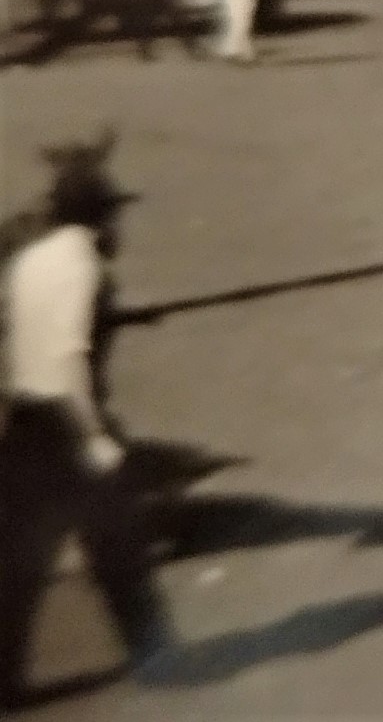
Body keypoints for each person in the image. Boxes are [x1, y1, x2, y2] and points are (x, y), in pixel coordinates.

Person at [0, 141, 170, 702]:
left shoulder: (30, 260)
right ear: (100, 217)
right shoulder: (84, 267)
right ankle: (157, 655)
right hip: (66, 423)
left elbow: (36, 328)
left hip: (23, 420)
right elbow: (71, 354)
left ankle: (5, 680)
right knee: (118, 544)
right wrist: (93, 434)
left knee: (18, 565)